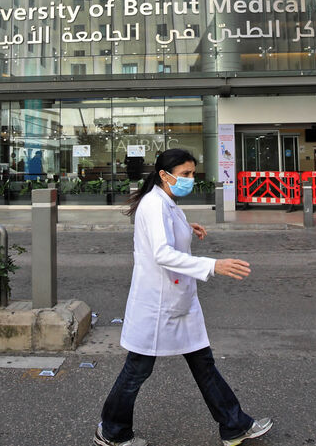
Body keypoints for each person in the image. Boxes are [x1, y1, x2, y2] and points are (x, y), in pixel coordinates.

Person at [94, 148, 272, 446]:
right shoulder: (154, 204)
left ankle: (234, 425)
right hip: (158, 304)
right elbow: (162, 253)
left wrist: (184, 227)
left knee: (203, 363)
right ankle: (111, 430)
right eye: (185, 174)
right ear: (165, 176)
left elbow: (163, 233)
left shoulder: (167, 202)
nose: (190, 179)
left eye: (193, 173)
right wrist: (213, 265)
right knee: (137, 370)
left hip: (177, 301)